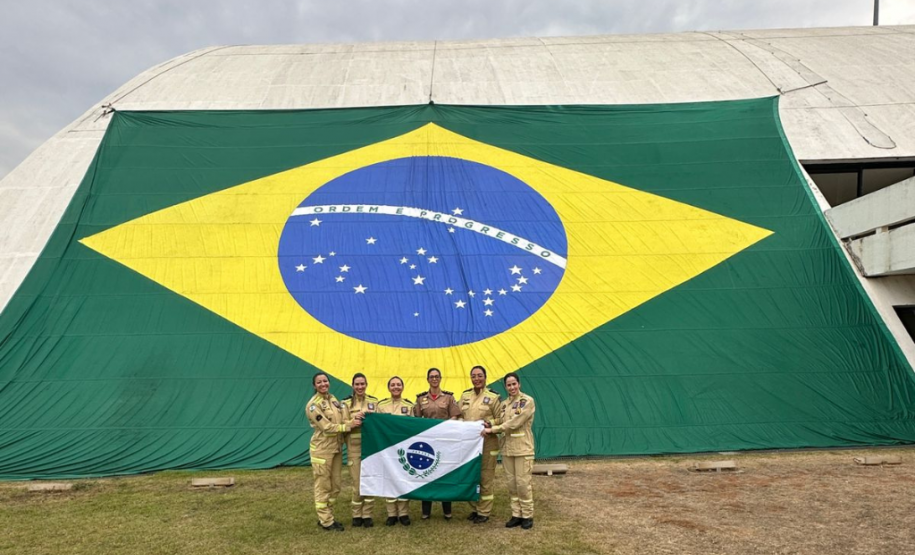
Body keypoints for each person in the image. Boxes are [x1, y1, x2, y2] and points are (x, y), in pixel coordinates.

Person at [306, 371, 362, 532]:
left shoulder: (333, 400)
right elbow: (327, 427)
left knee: (335, 486)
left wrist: (355, 419)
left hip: (336, 448)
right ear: (314, 385)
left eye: (325, 381)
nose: (323, 384)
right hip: (322, 450)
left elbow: (343, 420)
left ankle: (328, 515)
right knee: (323, 485)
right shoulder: (313, 405)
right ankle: (325, 521)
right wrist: (348, 426)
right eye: (319, 382)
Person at [482, 372, 536, 530]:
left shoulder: (527, 401)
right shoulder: (505, 404)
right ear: (505, 387)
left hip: (523, 449)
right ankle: (516, 514)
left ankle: (527, 515)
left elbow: (514, 423)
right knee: (512, 484)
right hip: (507, 449)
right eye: (508, 385)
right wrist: (488, 423)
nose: (512, 387)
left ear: (519, 384)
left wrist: (493, 430)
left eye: (514, 384)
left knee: (523, 484)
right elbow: (501, 419)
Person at [413, 367, 462, 520]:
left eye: (436, 376)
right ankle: (426, 511)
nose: (434, 379)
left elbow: (455, 416)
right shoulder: (420, 399)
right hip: (427, 443)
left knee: (445, 474)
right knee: (426, 473)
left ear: (440, 379)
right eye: (431, 377)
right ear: (428, 379)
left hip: (444, 441)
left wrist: (442, 428)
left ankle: (447, 510)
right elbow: (416, 420)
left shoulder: (449, 397)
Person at [459, 365, 503, 524]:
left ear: (485, 377)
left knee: (485, 478)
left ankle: (484, 511)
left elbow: (501, 419)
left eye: (479, 375)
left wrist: (489, 424)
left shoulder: (493, 397)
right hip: (469, 445)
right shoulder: (465, 396)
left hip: (487, 444)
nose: (476, 379)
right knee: (471, 476)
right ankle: (475, 508)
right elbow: (459, 415)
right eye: (474, 376)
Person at [376, 375, 415, 526]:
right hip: (387, 449)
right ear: (388, 388)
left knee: (404, 479)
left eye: (398, 384)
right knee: (389, 480)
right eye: (393, 385)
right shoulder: (381, 406)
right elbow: (376, 426)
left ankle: (403, 513)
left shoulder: (409, 405)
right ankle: (391, 514)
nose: (396, 387)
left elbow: (413, 427)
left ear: (402, 387)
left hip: (403, 449)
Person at [342, 373, 378, 528]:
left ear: (366, 384)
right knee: (357, 483)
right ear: (353, 386)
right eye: (357, 384)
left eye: (362, 384)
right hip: (354, 448)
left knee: (369, 481)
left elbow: (380, 422)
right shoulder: (345, 404)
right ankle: (356, 515)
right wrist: (353, 421)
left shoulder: (374, 402)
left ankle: (367, 514)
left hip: (370, 448)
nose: (360, 387)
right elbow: (342, 424)